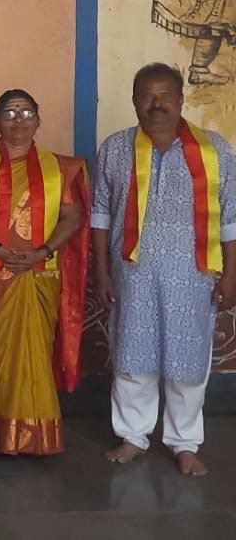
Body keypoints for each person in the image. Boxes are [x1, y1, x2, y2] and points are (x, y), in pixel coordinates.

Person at [93, 63, 236, 476]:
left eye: (165, 96)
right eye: (147, 96)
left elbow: (231, 217)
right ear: (135, 100)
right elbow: (100, 213)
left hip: (193, 277)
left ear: (181, 100)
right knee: (132, 357)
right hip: (132, 275)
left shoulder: (215, 150)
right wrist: (101, 271)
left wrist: (231, 273)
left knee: (187, 362)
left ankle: (184, 442)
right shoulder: (115, 148)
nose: (156, 104)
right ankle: (133, 437)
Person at [0, 89, 88, 457]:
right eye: (10, 113)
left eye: (27, 112)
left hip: (40, 274)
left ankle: (37, 437)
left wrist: (41, 252)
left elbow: (73, 217)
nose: (19, 120)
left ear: (38, 120)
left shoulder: (58, 168)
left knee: (34, 358)